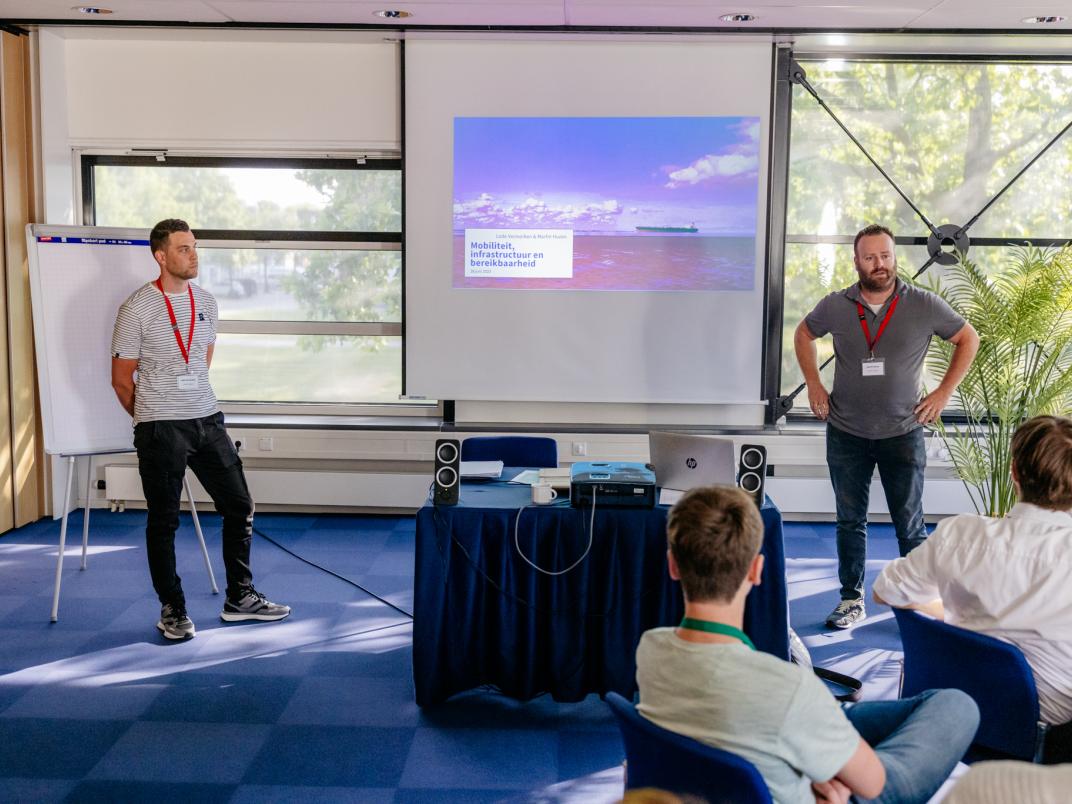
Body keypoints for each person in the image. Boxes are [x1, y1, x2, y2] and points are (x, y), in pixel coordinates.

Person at [636, 485, 979, 804]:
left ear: (673, 566)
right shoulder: (788, 687)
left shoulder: (651, 650)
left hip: (764, 739)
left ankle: (823, 749)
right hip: (816, 764)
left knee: (843, 718)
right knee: (956, 705)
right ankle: (827, 754)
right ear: (757, 570)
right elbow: (872, 784)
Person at [111, 218, 290, 640]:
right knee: (165, 521)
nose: (193, 255)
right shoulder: (135, 308)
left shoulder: (206, 301)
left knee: (240, 505)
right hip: (160, 428)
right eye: (183, 249)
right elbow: (122, 380)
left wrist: (190, 404)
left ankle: (240, 597)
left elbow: (201, 360)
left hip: (207, 420)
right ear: (161, 256)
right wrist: (153, 415)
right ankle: (173, 609)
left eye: (194, 247)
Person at [794, 223, 979, 629]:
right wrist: (814, 384)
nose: (880, 264)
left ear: (894, 257)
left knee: (910, 525)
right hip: (846, 432)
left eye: (886, 255)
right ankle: (850, 599)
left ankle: (919, 605)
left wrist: (944, 394)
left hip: (903, 432)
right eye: (870, 257)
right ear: (856, 261)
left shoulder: (924, 304)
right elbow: (804, 333)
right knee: (849, 521)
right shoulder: (836, 305)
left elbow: (969, 338)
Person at [874, 415, 1072, 758]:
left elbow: (885, 590)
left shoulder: (958, 535)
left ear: (1014, 473)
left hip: (957, 715)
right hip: (1050, 739)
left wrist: (952, 617)